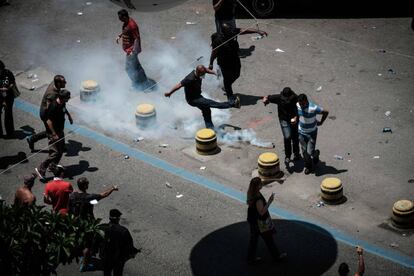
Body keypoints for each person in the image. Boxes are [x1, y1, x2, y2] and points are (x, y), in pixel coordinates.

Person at [165, 65, 241, 130]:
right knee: (213, 104)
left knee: (206, 111)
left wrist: (214, 73)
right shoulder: (189, 79)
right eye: (202, 74)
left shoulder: (201, 71)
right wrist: (169, 93)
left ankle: (210, 129)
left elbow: (206, 70)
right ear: (198, 72)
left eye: (204, 73)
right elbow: (179, 85)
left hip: (198, 96)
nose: (204, 75)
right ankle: (233, 104)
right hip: (193, 100)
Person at [209, 23, 267, 104]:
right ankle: (230, 97)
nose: (231, 31)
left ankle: (226, 85)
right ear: (223, 32)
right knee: (227, 80)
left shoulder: (232, 32)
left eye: (230, 29)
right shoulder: (218, 40)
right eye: (228, 30)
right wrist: (211, 63)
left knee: (237, 74)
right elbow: (214, 53)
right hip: (224, 62)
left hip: (234, 58)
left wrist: (258, 31)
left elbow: (243, 30)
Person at [246, 177, 286, 265]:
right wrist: (269, 202)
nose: (262, 184)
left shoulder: (250, 192)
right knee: (268, 239)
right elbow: (262, 212)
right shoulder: (258, 199)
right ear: (258, 186)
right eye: (260, 184)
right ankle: (277, 257)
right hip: (260, 223)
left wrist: (276, 179)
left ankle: (250, 258)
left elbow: (264, 182)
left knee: (254, 240)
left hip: (252, 219)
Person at [27, 75, 73, 151]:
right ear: (58, 83)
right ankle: (33, 139)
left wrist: (68, 115)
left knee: (59, 128)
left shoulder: (55, 85)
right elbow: (49, 110)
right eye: (64, 82)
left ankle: (61, 145)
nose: (66, 83)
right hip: (47, 114)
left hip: (54, 112)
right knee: (51, 131)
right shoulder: (52, 95)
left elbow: (62, 105)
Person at [35, 90, 71, 180]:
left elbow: (64, 109)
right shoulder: (54, 106)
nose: (69, 99)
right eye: (68, 97)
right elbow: (48, 121)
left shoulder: (62, 103)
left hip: (60, 130)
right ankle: (41, 169)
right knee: (54, 153)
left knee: (61, 149)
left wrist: (69, 116)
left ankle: (52, 166)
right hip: (53, 132)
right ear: (63, 98)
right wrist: (54, 133)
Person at [263, 87, 300, 164]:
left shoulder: (295, 98)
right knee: (287, 137)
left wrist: (296, 117)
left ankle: (296, 154)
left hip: (294, 119)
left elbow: (300, 109)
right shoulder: (278, 97)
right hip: (284, 120)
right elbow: (267, 97)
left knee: (295, 137)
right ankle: (288, 156)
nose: (287, 100)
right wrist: (265, 100)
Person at [116, 9, 152, 90]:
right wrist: (120, 36)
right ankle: (144, 83)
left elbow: (137, 38)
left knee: (129, 68)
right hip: (129, 50)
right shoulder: (126, 22)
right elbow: (125, 30)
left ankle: (138, 84)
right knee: (136, 67)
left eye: (120, 18)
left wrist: (133, 51)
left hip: (131, 50)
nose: (119, 19)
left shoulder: (132, 25)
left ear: (125, 16)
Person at [295, 94, 329, 174]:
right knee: (304, 152)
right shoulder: (297, 105)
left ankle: (316, 153)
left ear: (306, 101)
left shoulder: (313, 108)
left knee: (309, 152)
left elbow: (326, 112)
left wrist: (321, 122)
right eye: (300, 104)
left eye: (303, 104)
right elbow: (296, 112)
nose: (301, 106)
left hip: (312, 133)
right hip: (301, 132)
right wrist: (295, 118)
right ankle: (308, 166)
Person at [100, 209, 140, 276]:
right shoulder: (123, 231)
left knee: (106, 273)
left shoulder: (102, 228)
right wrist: (134, 251)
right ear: (118, 219)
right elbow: (129, 245)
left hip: (106, 256)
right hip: (118, 258)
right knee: (118, 273)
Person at [0, 60, 17, 138]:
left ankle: (10, 133)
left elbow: (13, 82)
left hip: (9, 97)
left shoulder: (7, 72)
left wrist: (7, 88)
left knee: (8, 115)